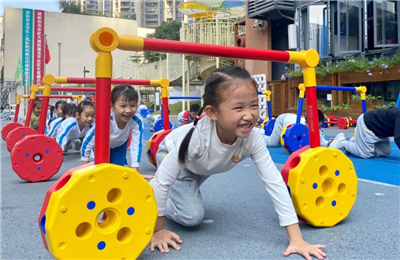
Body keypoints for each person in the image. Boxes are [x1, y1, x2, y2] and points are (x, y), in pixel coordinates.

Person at [149, 66, 326, 259]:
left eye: (253, 105)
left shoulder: (253, 138)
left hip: (203, 165)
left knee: (186, 199)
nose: (249, 115)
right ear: (212, 112)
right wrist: (158, 230)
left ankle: (172, 194)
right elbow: (163, 181)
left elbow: (274, 182)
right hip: (173, 157)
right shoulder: (198, 138)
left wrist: (296, 239)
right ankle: (147, 193)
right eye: (238, 108)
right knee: (192, 217)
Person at [80, 85, 152, 179]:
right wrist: (84, 170)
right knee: (101, 173)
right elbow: (87, 142)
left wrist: (135, 171)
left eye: (133, 105)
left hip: (120, 146)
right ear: (112, 106)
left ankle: (122, 165)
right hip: (101, 147)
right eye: (123, 106)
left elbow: (136, 144)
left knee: (118, 174)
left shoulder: (136, 120)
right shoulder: (106, 120)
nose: (128, 110)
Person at [330, 107, 400, 158]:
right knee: (366, 154)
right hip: (368, 124)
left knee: (385, 151)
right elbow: (398, 138)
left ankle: (356, 144)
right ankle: (341, 143)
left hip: (380, 132)